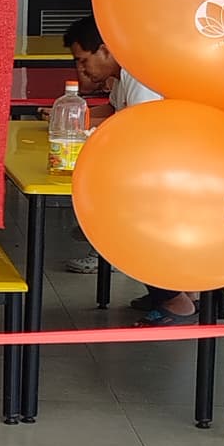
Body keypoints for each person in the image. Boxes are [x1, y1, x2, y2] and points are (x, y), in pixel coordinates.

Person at [60, 16, 192, 323]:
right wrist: (75, 118)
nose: (82, 71)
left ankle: (175, 300)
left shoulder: (139, 76)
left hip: (176, 169)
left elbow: (140, 129)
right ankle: (173, 290)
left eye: (83, 61)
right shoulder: (123, 75)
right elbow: (115, 111)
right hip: (164, 163)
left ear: (105, 51)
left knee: (124, 221)